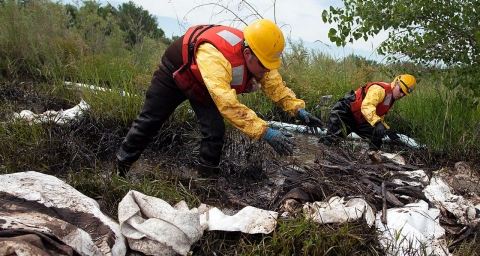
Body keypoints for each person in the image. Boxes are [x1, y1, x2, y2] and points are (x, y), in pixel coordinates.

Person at [115, 19, 324, 177]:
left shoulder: (260, 59)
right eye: (264, 65)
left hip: (205, 86)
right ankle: (120, 169)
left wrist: (298, 110)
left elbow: (275, 84)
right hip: (175, 72)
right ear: (248, 53)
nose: (267, 71)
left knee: (214, 130)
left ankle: (206, 184)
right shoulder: (216, 57)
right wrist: (265, 132)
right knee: (150, 121)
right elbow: (228, 104)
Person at [318, 74, 416, 150]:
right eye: (401, 90)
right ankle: (320, 155)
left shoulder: (390, 98)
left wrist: (387, 129)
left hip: (361, 119)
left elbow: (378, 115)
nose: (401, 95)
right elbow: (367, 106)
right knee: (330, 141)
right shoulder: (379, 90)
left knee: (377, 135)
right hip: (345, 112)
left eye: (404, 94)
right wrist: (377, 123)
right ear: (396, 84)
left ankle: (373, 159)